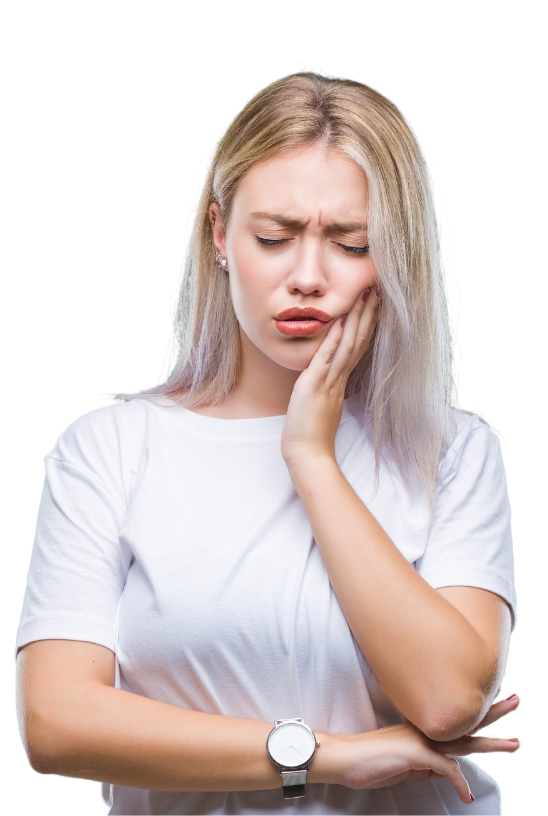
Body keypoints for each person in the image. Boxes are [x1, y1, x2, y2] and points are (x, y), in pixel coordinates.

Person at [15, 68, 520, 815]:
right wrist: (327, 757)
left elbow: (448, 699)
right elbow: (55, 723)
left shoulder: (453, 450)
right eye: (275, 238)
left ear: (396, 256)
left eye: (351, 244)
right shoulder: (110, 449)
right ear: (219, 234)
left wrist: (312, 457)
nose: (308, 277)